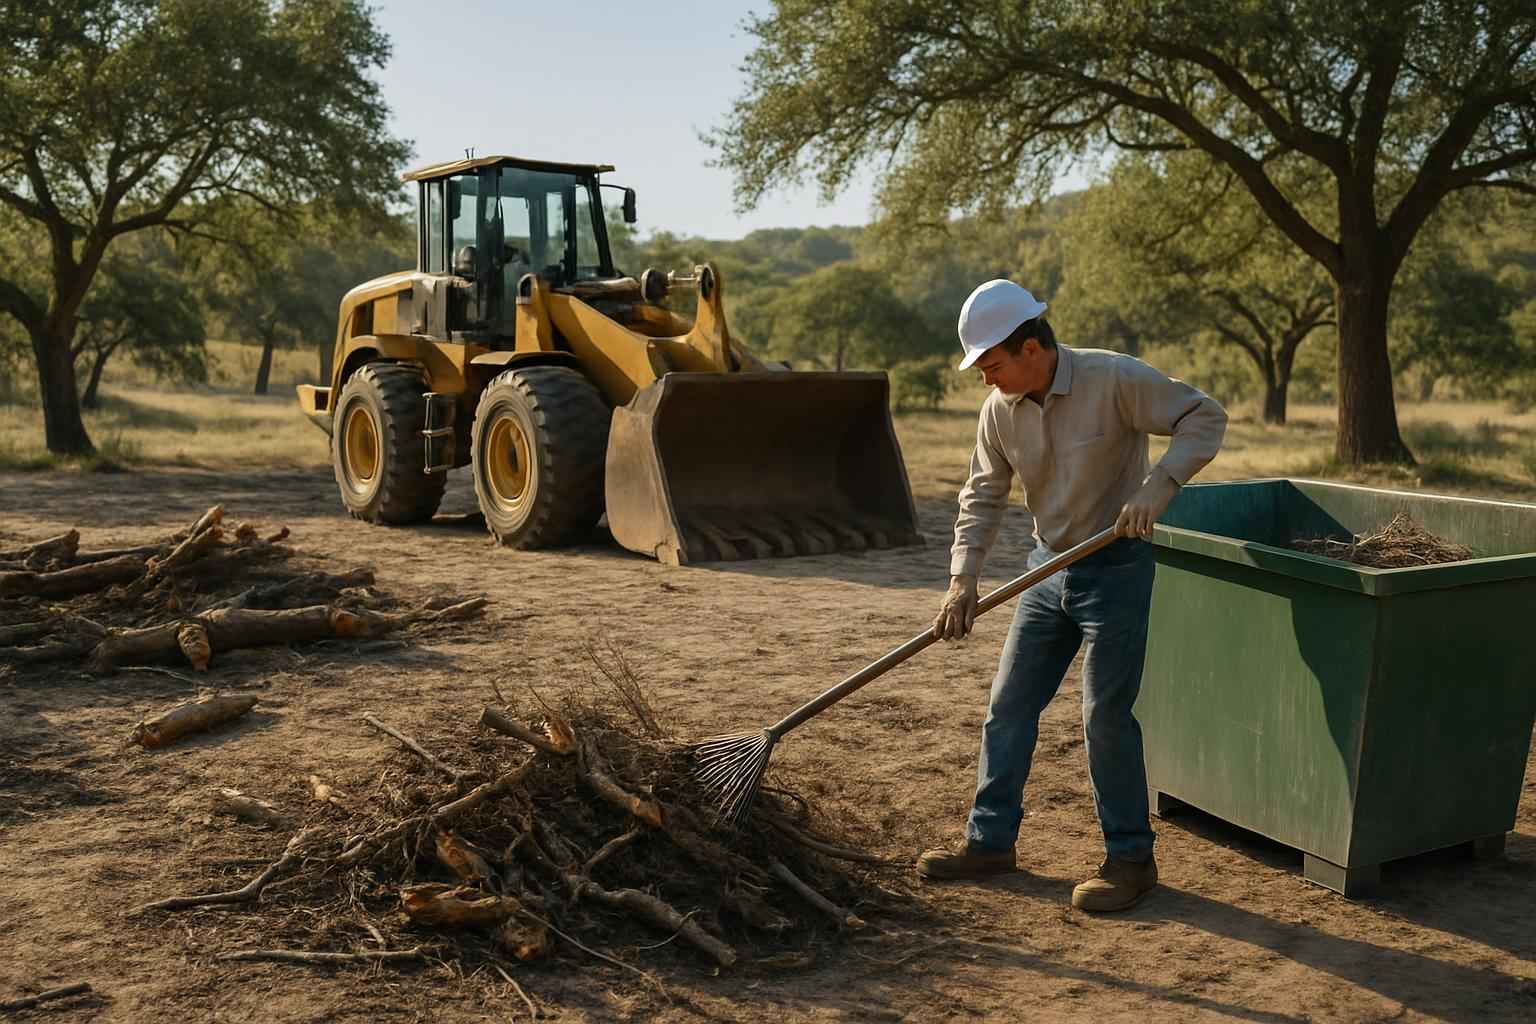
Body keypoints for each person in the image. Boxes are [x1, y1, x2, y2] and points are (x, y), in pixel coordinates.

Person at [917, 279, 1227, 912]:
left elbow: (1204, 415)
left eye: (991, 364)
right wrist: (962, 579)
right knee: (1008, 706)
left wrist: (1158, 484)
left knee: (1103, 716)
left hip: (1115, 566)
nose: (984, 379)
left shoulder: (1113, 380)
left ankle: (1131, 860)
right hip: (1045, 568)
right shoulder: (999, 411)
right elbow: (981, 496)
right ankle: (990, 843)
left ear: (1032, 348)